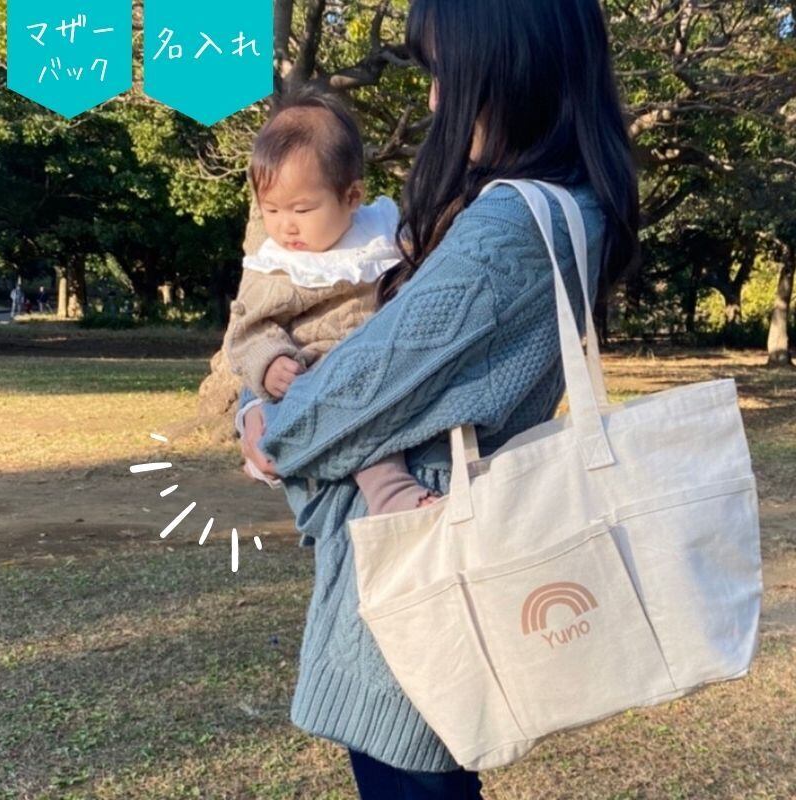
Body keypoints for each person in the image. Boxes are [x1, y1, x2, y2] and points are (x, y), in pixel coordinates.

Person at [240, 0, 638, 796]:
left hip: (421, 568)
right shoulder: (574, 205)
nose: (432, 100)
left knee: (411, 778)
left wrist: (262, 416)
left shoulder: (508, 226)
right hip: (447, 553)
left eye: (445, 74)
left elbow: (349, 395)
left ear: (511, 68)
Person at [229, 88, 441, 514]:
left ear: (352, 197)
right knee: (359, 420)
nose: (286, 226)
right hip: (315, 373)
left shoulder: (381, 233)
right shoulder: (276, 266)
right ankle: (391, 493)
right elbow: (248, 331)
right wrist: (270, 363)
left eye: (302, 209)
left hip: (384, 362)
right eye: (272, 210)